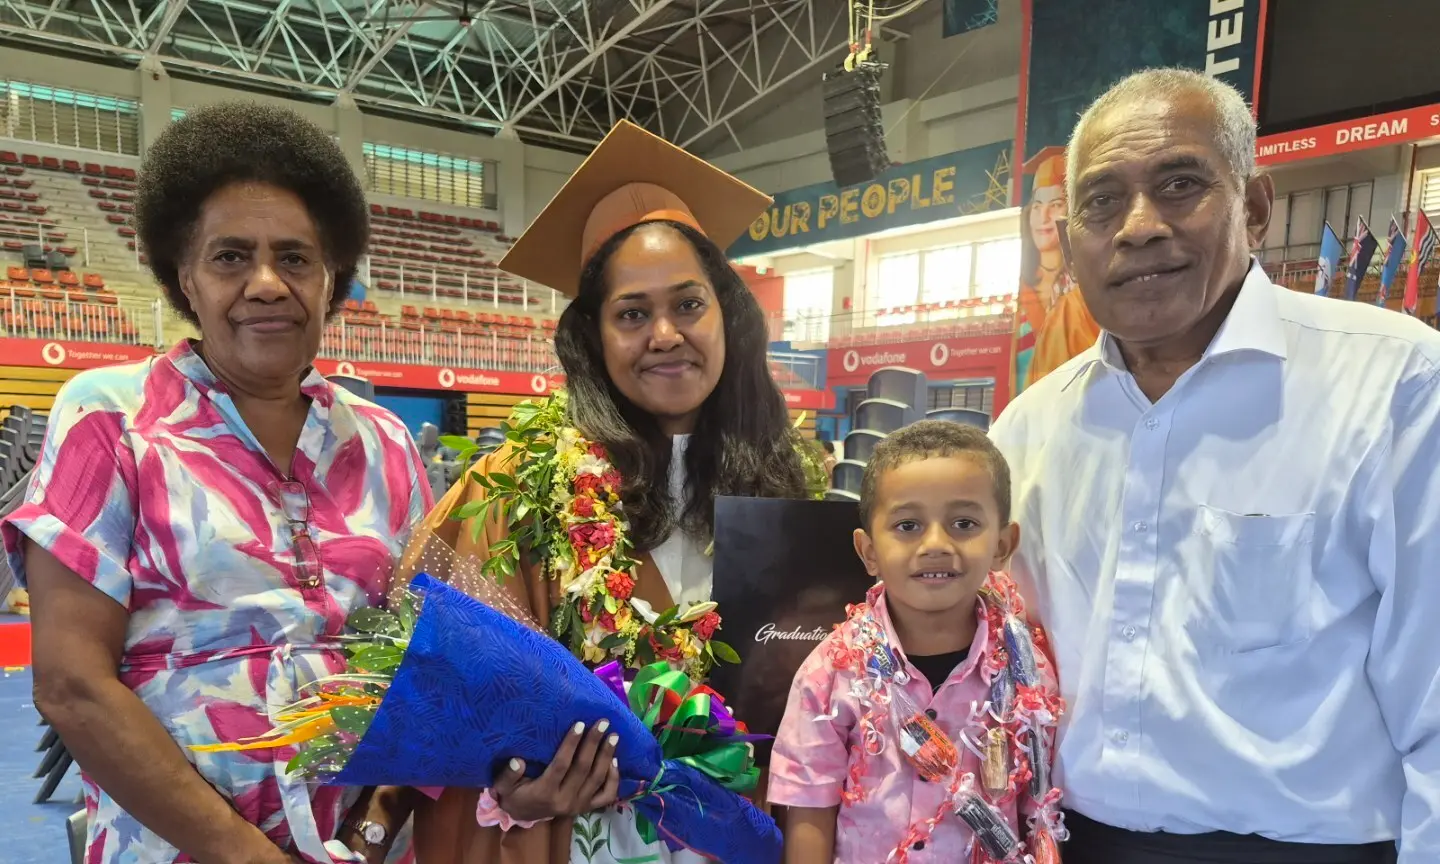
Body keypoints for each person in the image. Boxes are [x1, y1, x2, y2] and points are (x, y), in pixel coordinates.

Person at [991, 68, 1440, 864]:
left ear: (1255, 209)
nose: (1138, 227)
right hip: (1070, 843)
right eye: (1101, 201)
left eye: (1179, 184)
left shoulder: (1393, 384)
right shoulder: (1029, 429)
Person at [0, 104, 430, 864]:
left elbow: (422, 667)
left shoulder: (387, 443)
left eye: (295, 258)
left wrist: (370, 835)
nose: (267, 284)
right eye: (231, 257)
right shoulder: (113, 420)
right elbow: (72, 686)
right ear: (184, 279)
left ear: (332, 282)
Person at [402, 120, 819, 864]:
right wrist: (511, 785)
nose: (664, 333)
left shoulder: (793, 489)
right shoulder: (518, 491)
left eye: (688, 304)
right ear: (593, 337)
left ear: (729, 316)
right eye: (632, 313)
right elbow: (441, 696)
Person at [770, 420, 1061, 863]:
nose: (936, 544)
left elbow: (1035, 809)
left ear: (1003, 544)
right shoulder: (832, 672)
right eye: (907, 525)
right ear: (869, 552)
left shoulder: (1027, 676)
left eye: (964, 523)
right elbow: (810, 805)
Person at [1013, 151, 1100, 392]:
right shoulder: (1023, 291)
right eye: (1037, 206)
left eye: (1056, 205)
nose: (1043, 217)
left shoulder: (1083, 295)